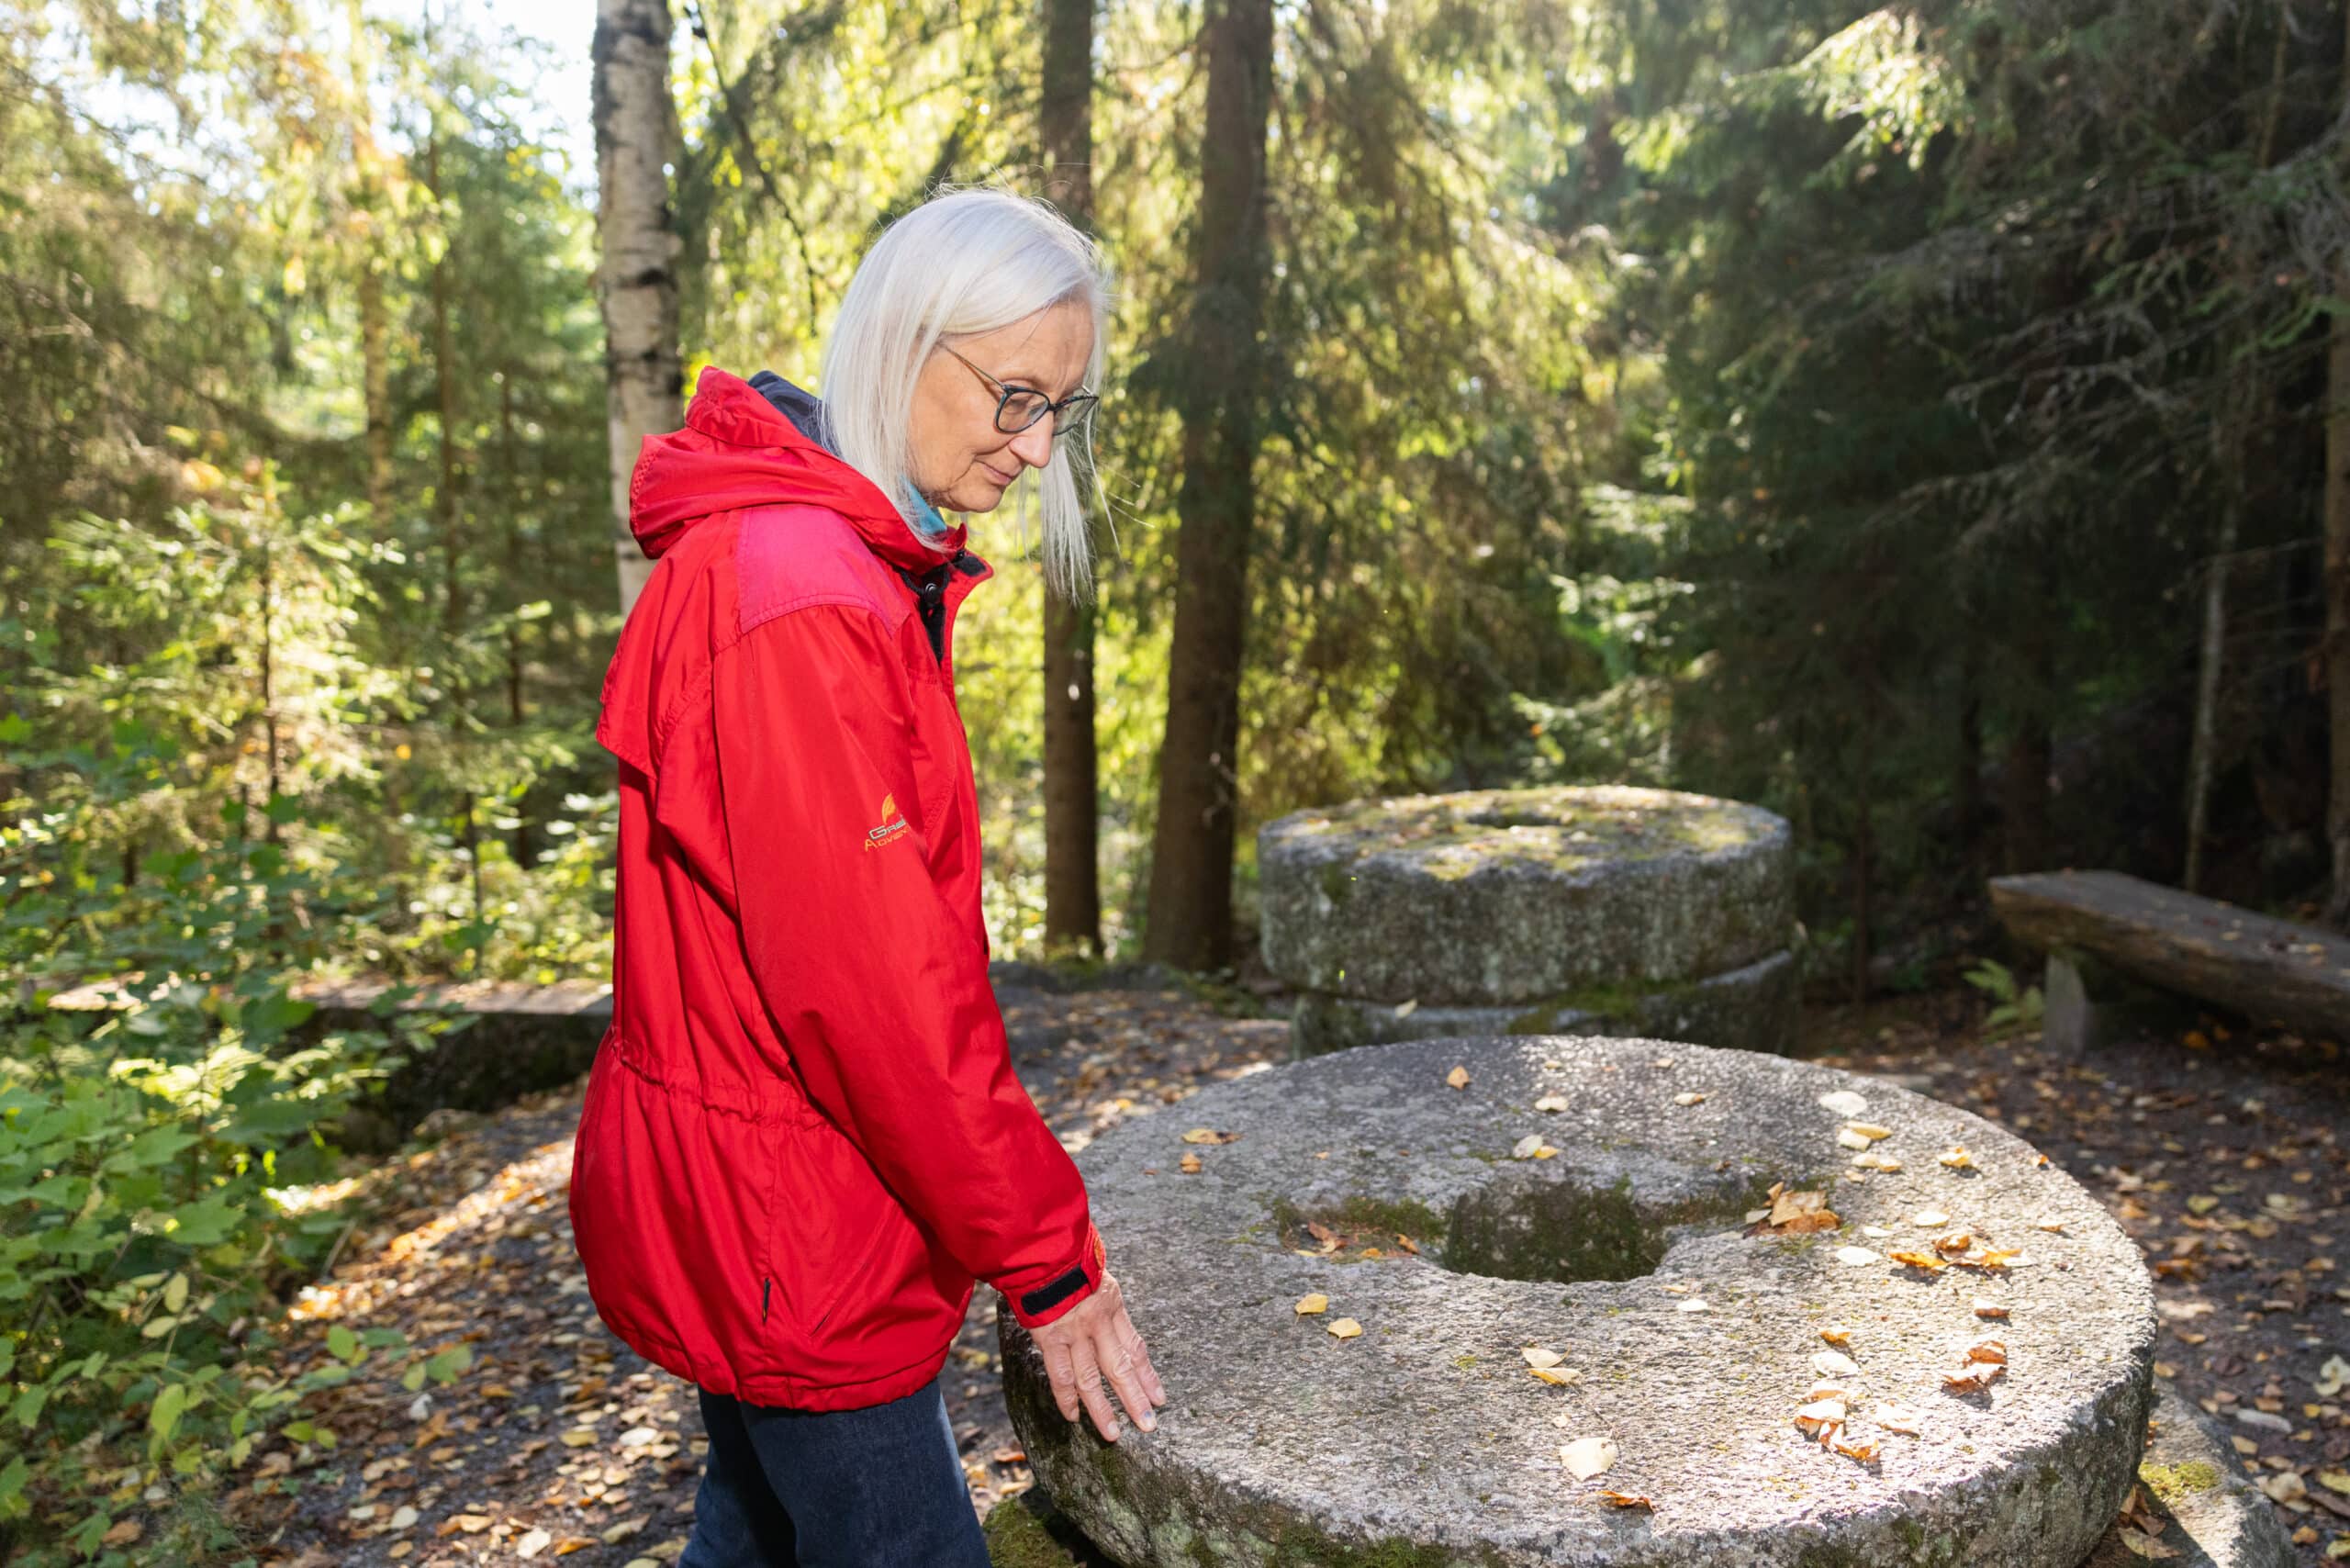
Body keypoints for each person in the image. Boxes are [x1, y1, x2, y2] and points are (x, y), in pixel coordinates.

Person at [570, 187, 1166, 1568]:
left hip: (754, 1190)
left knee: (758, 1524)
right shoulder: (804, 598)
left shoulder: (821, 555)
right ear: (907, 341)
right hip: (794, 1226)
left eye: (1059, 412)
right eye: (1014, 395)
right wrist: (1053, 1267)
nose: (1032, 447)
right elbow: (881, 1000)